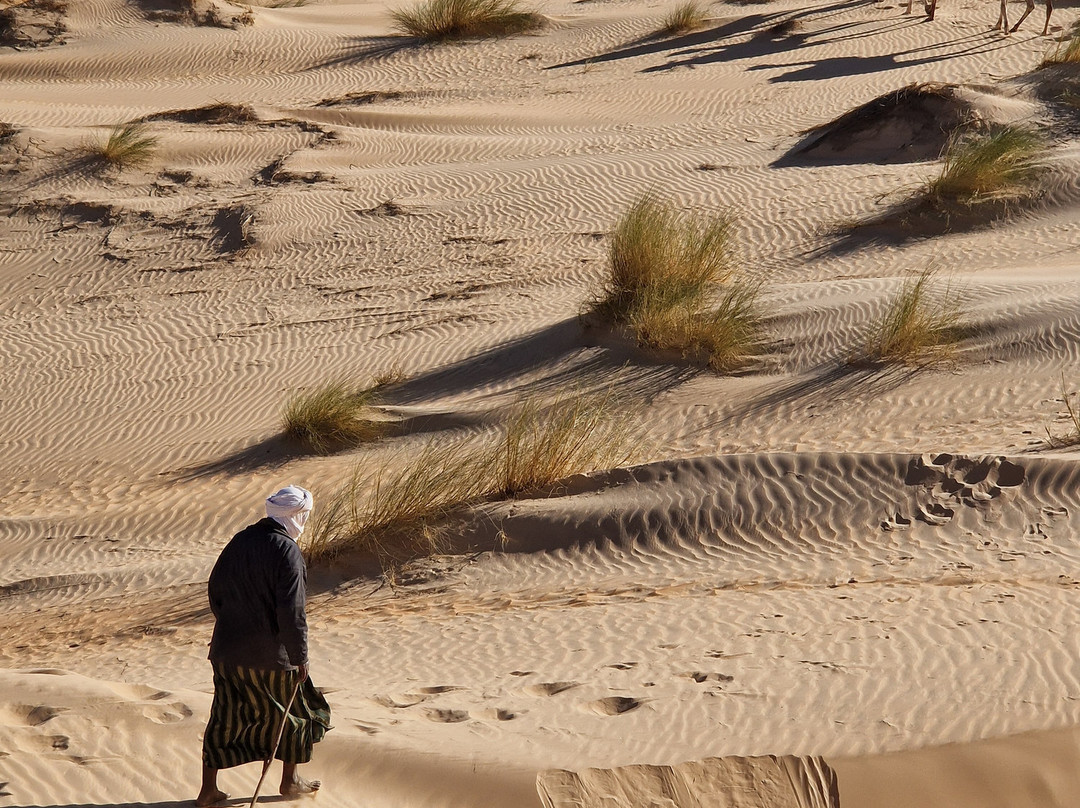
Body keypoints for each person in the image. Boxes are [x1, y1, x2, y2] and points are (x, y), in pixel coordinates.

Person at [196, 485, 331, 807]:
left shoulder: (240, 541)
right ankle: (289, 782)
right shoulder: (288, 553)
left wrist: (229, 625)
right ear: (298, 516)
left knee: (225, 717)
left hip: (227, 652)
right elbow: (292, 612)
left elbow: (215, 591)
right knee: (300, 713)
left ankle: (207, 791)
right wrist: (300, 658)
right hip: (271, 657)